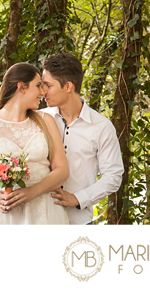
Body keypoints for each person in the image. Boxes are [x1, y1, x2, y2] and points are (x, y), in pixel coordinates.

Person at [0, 62, 69, 225]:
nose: (42, 92)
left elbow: (62, 170)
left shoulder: (46, 121)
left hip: (45, 214)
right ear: (21, 87)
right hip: (1, 215)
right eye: (38, 85)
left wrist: (32, 192)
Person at [40, 52, 124, 225]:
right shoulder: (38, 119)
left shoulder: (102, 127)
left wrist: (78, 198)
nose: (43, 91)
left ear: (68, 87)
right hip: (41, 219)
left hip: (78, 222)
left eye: (48, 85)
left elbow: (113, 176)